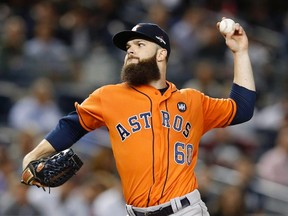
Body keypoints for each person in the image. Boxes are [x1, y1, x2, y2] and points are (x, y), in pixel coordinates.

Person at [22, 18, 256, 216]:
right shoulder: (109, 96)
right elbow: (72, 126)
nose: (130, 50)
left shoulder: (193, 101)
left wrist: (241, 52)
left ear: (161, 54)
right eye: (128, 48)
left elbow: (242, 108)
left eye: (140, 44)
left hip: (185, 209)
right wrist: (33, 155)